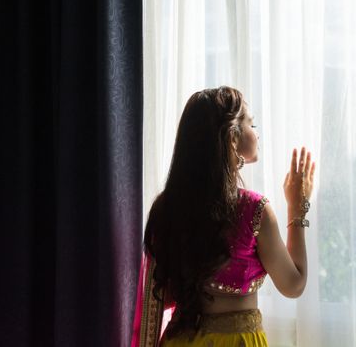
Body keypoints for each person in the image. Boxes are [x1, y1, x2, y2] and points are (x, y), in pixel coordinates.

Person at [131, 86, 315, 347]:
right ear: (232, 138)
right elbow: (293, 285)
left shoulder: (166, 207)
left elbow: (161, 292)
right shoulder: (254, 210)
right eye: (251, 123)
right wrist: (297, 209)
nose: (257, 132)